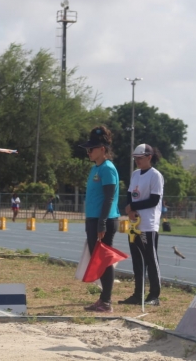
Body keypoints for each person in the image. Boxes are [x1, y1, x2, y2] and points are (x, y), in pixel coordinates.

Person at [79, 126, 120, 313]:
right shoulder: (95, 168)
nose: (89, 152)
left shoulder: (108, 169)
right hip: (94, 219)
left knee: (104, 260)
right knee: (99, 259)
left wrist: (102, 222)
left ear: (102, 149)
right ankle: (103, 299)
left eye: (92, 148)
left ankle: (106, 301)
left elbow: (109, 197)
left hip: (104, 220)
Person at [119, 144, 164, 307]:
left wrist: (134, 207)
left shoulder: (155, 175)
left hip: (148, 224)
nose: (137, 161)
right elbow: (130, 194)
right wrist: (130, 209)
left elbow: (154, 200)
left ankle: (154, 295)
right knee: (137, 261)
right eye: (135, 158)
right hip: (134, 224)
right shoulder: (135, 174)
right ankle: (138, 294)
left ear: (149, 157)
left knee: (151, 259)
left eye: (140, 158)